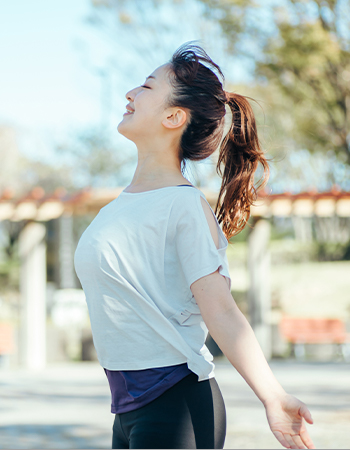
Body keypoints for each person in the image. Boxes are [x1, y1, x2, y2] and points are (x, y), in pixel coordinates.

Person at [74, 42, 315, 449]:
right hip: (129, 408)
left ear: (173, 116)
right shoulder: (119, 206)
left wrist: (273, 396)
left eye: (146, 87)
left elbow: (220, 309)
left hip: (177, 406)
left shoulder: (183, 205)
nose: (130, 94)